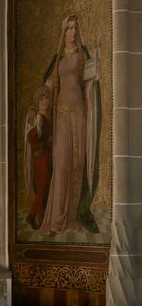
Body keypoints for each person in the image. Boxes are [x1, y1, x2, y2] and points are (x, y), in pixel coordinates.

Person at [39, 13, 100, 235]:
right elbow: (49, 84)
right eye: (69, 29)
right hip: (62, 113)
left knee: (77, 164)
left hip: (80, 113)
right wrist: (42, 97)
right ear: (63, 32)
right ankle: (56, 218)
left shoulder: (83, 55)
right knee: (62, 163)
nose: (73, 32)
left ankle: (73, 216)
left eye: (75, 28)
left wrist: (95, 76)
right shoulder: (58, 60)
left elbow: (90, 81)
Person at [23, 85, 53, 230]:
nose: (46, 102)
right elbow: (31, 137)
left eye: (47, 98)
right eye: (42, 99)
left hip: (46, 159)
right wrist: (39, 148)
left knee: (44, 189)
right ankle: (35, 218)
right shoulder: (39, 118)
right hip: (41, 160)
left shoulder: (46, 118)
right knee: (41, 189)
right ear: (38, 102)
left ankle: (36, 217)